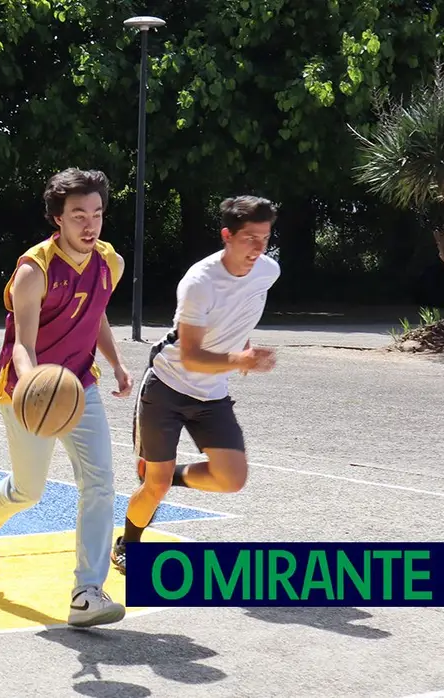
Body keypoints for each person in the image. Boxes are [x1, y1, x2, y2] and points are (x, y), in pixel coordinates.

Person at [0, 167, 132, 628]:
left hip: (79, 385)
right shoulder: (33, 271)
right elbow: (22, 345)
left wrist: (114, 362)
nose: (89, 224)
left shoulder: (109, 262)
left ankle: (86, 592)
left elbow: (97, 315)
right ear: (58, 218)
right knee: (28, 489)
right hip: (26, 388)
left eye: (96, 213)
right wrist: (34, 389)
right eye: (78, 215)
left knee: (100, 483)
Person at [111, 195, 280, 575]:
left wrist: (244, 346)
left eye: (265, 238)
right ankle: (127, 545)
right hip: (168, 388)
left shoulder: (268, 271)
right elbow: (190, 355)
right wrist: (240, 360)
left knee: (232, 479)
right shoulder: (200, 282)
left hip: (211, 394)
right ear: (227, 235)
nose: (258, 248)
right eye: (249, 238)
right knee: (153, 490)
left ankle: (165, 475)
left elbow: (240, 315)